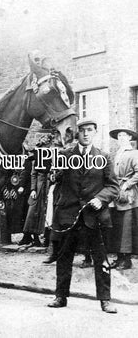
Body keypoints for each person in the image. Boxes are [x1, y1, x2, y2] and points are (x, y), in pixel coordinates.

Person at [47, 118, 119, 314]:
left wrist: (100, 199)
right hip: (68, 215)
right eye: (83, 130)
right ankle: (60, 296)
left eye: (90, 130)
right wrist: (54, 173)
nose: (86, 134)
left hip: (94, 216)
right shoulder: (65, 155)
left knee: (100, 258)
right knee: (64, 257)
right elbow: (54, 178)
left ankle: (105, 300)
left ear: (95, 132)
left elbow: (113, 186)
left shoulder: (104, 157)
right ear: (77, 133)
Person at [107, 127, 138, 269]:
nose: (121, 138)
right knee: (117, 226)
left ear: (130, 138)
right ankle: (119, 258)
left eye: (124, 136)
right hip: (116, 192)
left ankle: (127, 259)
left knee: (126, 227)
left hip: (128, 194)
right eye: (119, 136)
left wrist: (126, 185)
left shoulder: (134, 153)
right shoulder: (116, 154)